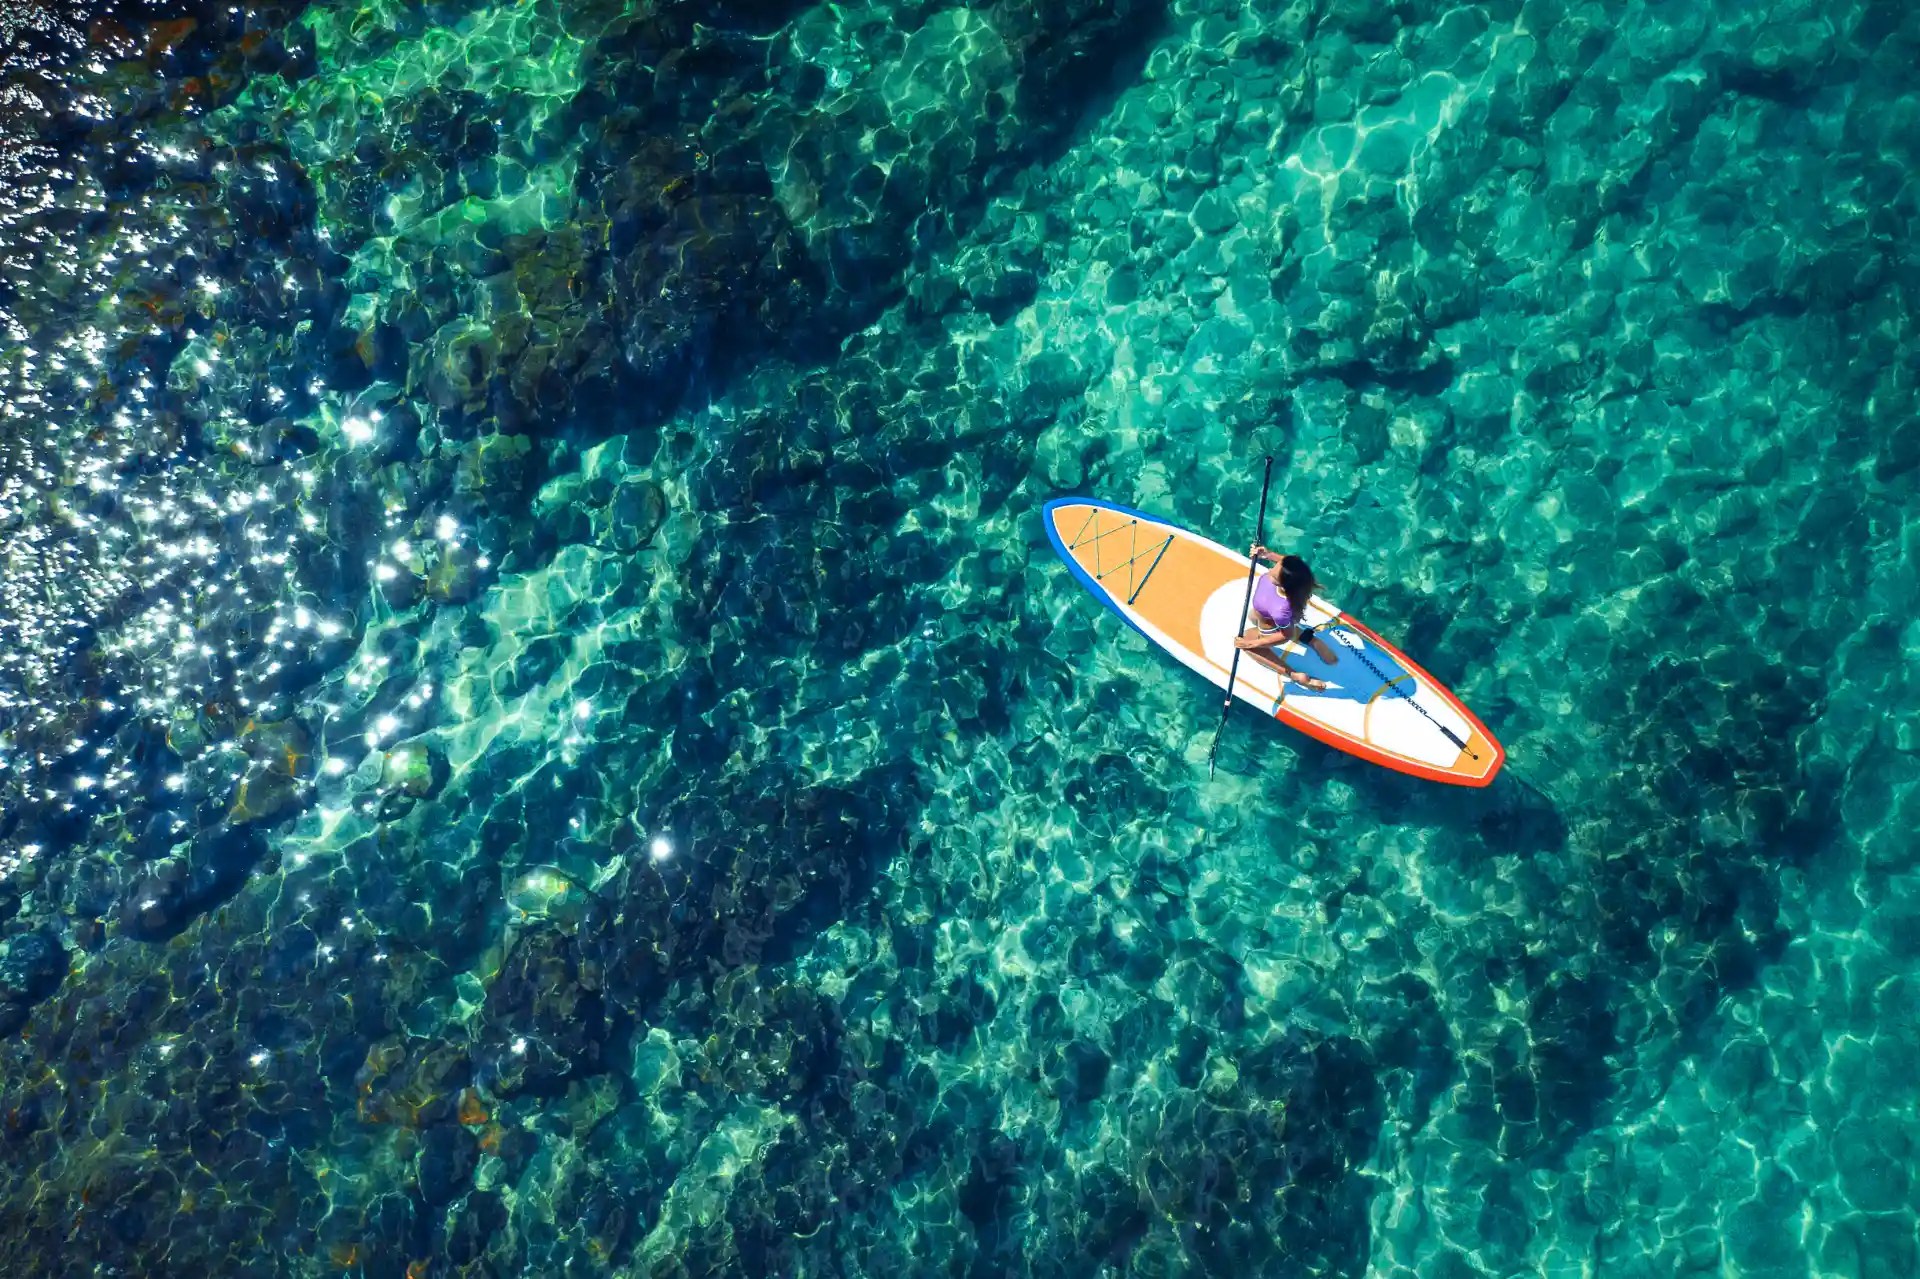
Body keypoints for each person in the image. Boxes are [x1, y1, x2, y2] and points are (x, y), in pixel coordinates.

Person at [1233, 546, 1338, 690]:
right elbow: (1287, 563)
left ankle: (1295, 675)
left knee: (1247, 640)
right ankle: (1309, 639)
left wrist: (1253, 644)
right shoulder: (1291, 577)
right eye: (1275, 566)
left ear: (1284, 584)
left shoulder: (1280, 610)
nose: (1270, 572)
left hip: (1270, 626)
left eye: (1274, 576)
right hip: (1268, 614)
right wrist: (1268, 554)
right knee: (1253, 616)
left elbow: (1285, 636)